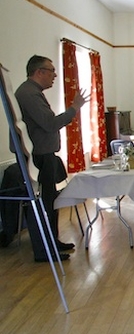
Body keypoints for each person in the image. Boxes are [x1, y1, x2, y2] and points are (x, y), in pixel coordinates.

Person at [14, 55, 89, 262]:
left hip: (43, 154)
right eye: (51, 70)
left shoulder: (32, 92)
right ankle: (45, 249)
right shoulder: (29, 93)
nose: (55, 75)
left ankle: (52, 242)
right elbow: (49, 124)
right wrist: (74, 108)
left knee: (50, 201)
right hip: (38, 156)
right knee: (44, 204)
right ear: (39, 72)